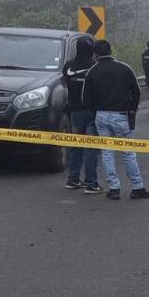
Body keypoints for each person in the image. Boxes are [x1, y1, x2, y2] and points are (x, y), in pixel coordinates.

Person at [81, 40, 149, 200]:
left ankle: (114, 188)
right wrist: (132, 109)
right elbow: (136, 91)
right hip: (121, 115)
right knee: (128, 153)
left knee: (107, 153)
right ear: (111, 50)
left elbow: (85, 98)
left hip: (101, 115)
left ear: (95, 54)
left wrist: (96, 111)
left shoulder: (92, 72)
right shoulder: (124, 68)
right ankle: (137, 187)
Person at [63, 36, 100, 192]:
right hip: (91, 111)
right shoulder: (94, 66)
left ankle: (73, 179)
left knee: (76, 146)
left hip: (74, 110)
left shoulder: (68, 66)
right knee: (91, 148)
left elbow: (66, 81)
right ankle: (91, 183)